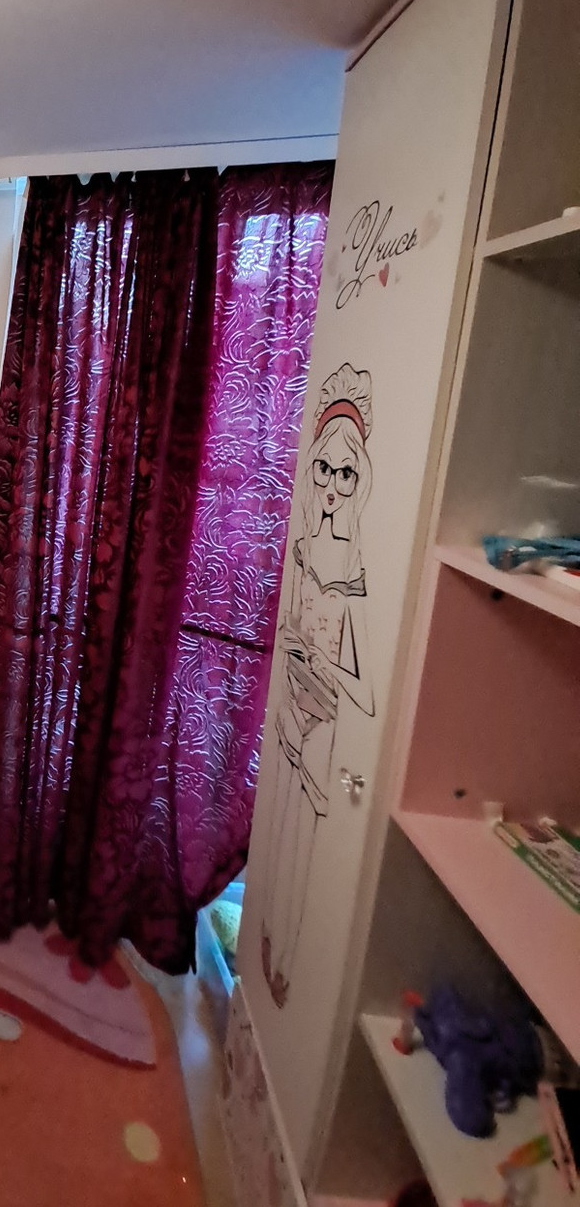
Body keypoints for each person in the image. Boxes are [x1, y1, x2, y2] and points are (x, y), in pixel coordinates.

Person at [257, 364, 376, 1009]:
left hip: (326, 719)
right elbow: (292, 624)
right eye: (324, 470)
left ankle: (285, 958)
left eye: (345, 474)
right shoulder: (304, 547)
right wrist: (296, 645)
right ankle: (267, 937)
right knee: (278, 819)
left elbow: (366, 687)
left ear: (359, 482)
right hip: (294, 701)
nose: (331, 485)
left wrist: (326, 666)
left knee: (304, 837)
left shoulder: (355, 569)